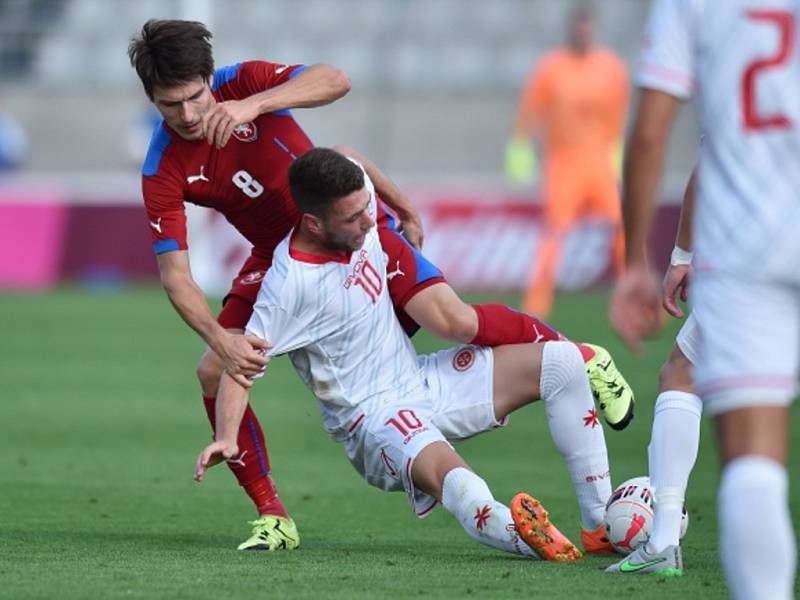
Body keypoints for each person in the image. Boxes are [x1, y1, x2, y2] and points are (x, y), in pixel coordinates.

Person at [129, 19, 634, 553]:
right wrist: (218, 336)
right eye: (169, 106)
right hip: (284, 255)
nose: (188, 115)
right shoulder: (163, 166)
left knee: (452, 320)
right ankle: (272, 513)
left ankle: (581, 357)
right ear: (152, 101)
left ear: (210, 78)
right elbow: (175, 276)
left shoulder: (245, 86)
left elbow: (336, 83)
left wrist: (254, 106)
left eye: (194, 97)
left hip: (352, 228)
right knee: (215, 367)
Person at [194, 148, 617, 561]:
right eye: (353, 217)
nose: (369, 221)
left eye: (368, 206)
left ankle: (598, 525)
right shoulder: (289, 287)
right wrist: (228, 437)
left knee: (563, 365)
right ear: (313, 224)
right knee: (463, 485)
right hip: (372, 419)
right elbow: (238, 367)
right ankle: (520, 534)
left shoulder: (358, 207)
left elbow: (351, 157)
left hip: (419, 379)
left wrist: (406, 209)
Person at [608, 1, 798, 597]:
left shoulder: (695, 5)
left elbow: (649, 134)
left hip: (752, 252)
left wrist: (653, 261)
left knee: (746, 453)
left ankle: (663, 538)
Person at [506, 3, 629, 319]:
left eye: (588, 27)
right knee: (554, 233)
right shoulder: (552, 67)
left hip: (600, 161)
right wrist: (520, 147)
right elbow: (531, 109)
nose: (583, 33)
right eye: (579, 27)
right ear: (572, 29)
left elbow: (619, 113)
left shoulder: (611, 67)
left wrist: (617, 153)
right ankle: (537, 306)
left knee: (622, 229)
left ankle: (633, 295)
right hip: (564, 163)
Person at [606, 171, 701, 576]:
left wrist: (682, 256)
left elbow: (650, 140)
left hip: (763, 264)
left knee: (682, 373)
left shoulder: (734, 104)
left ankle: (662, 541)